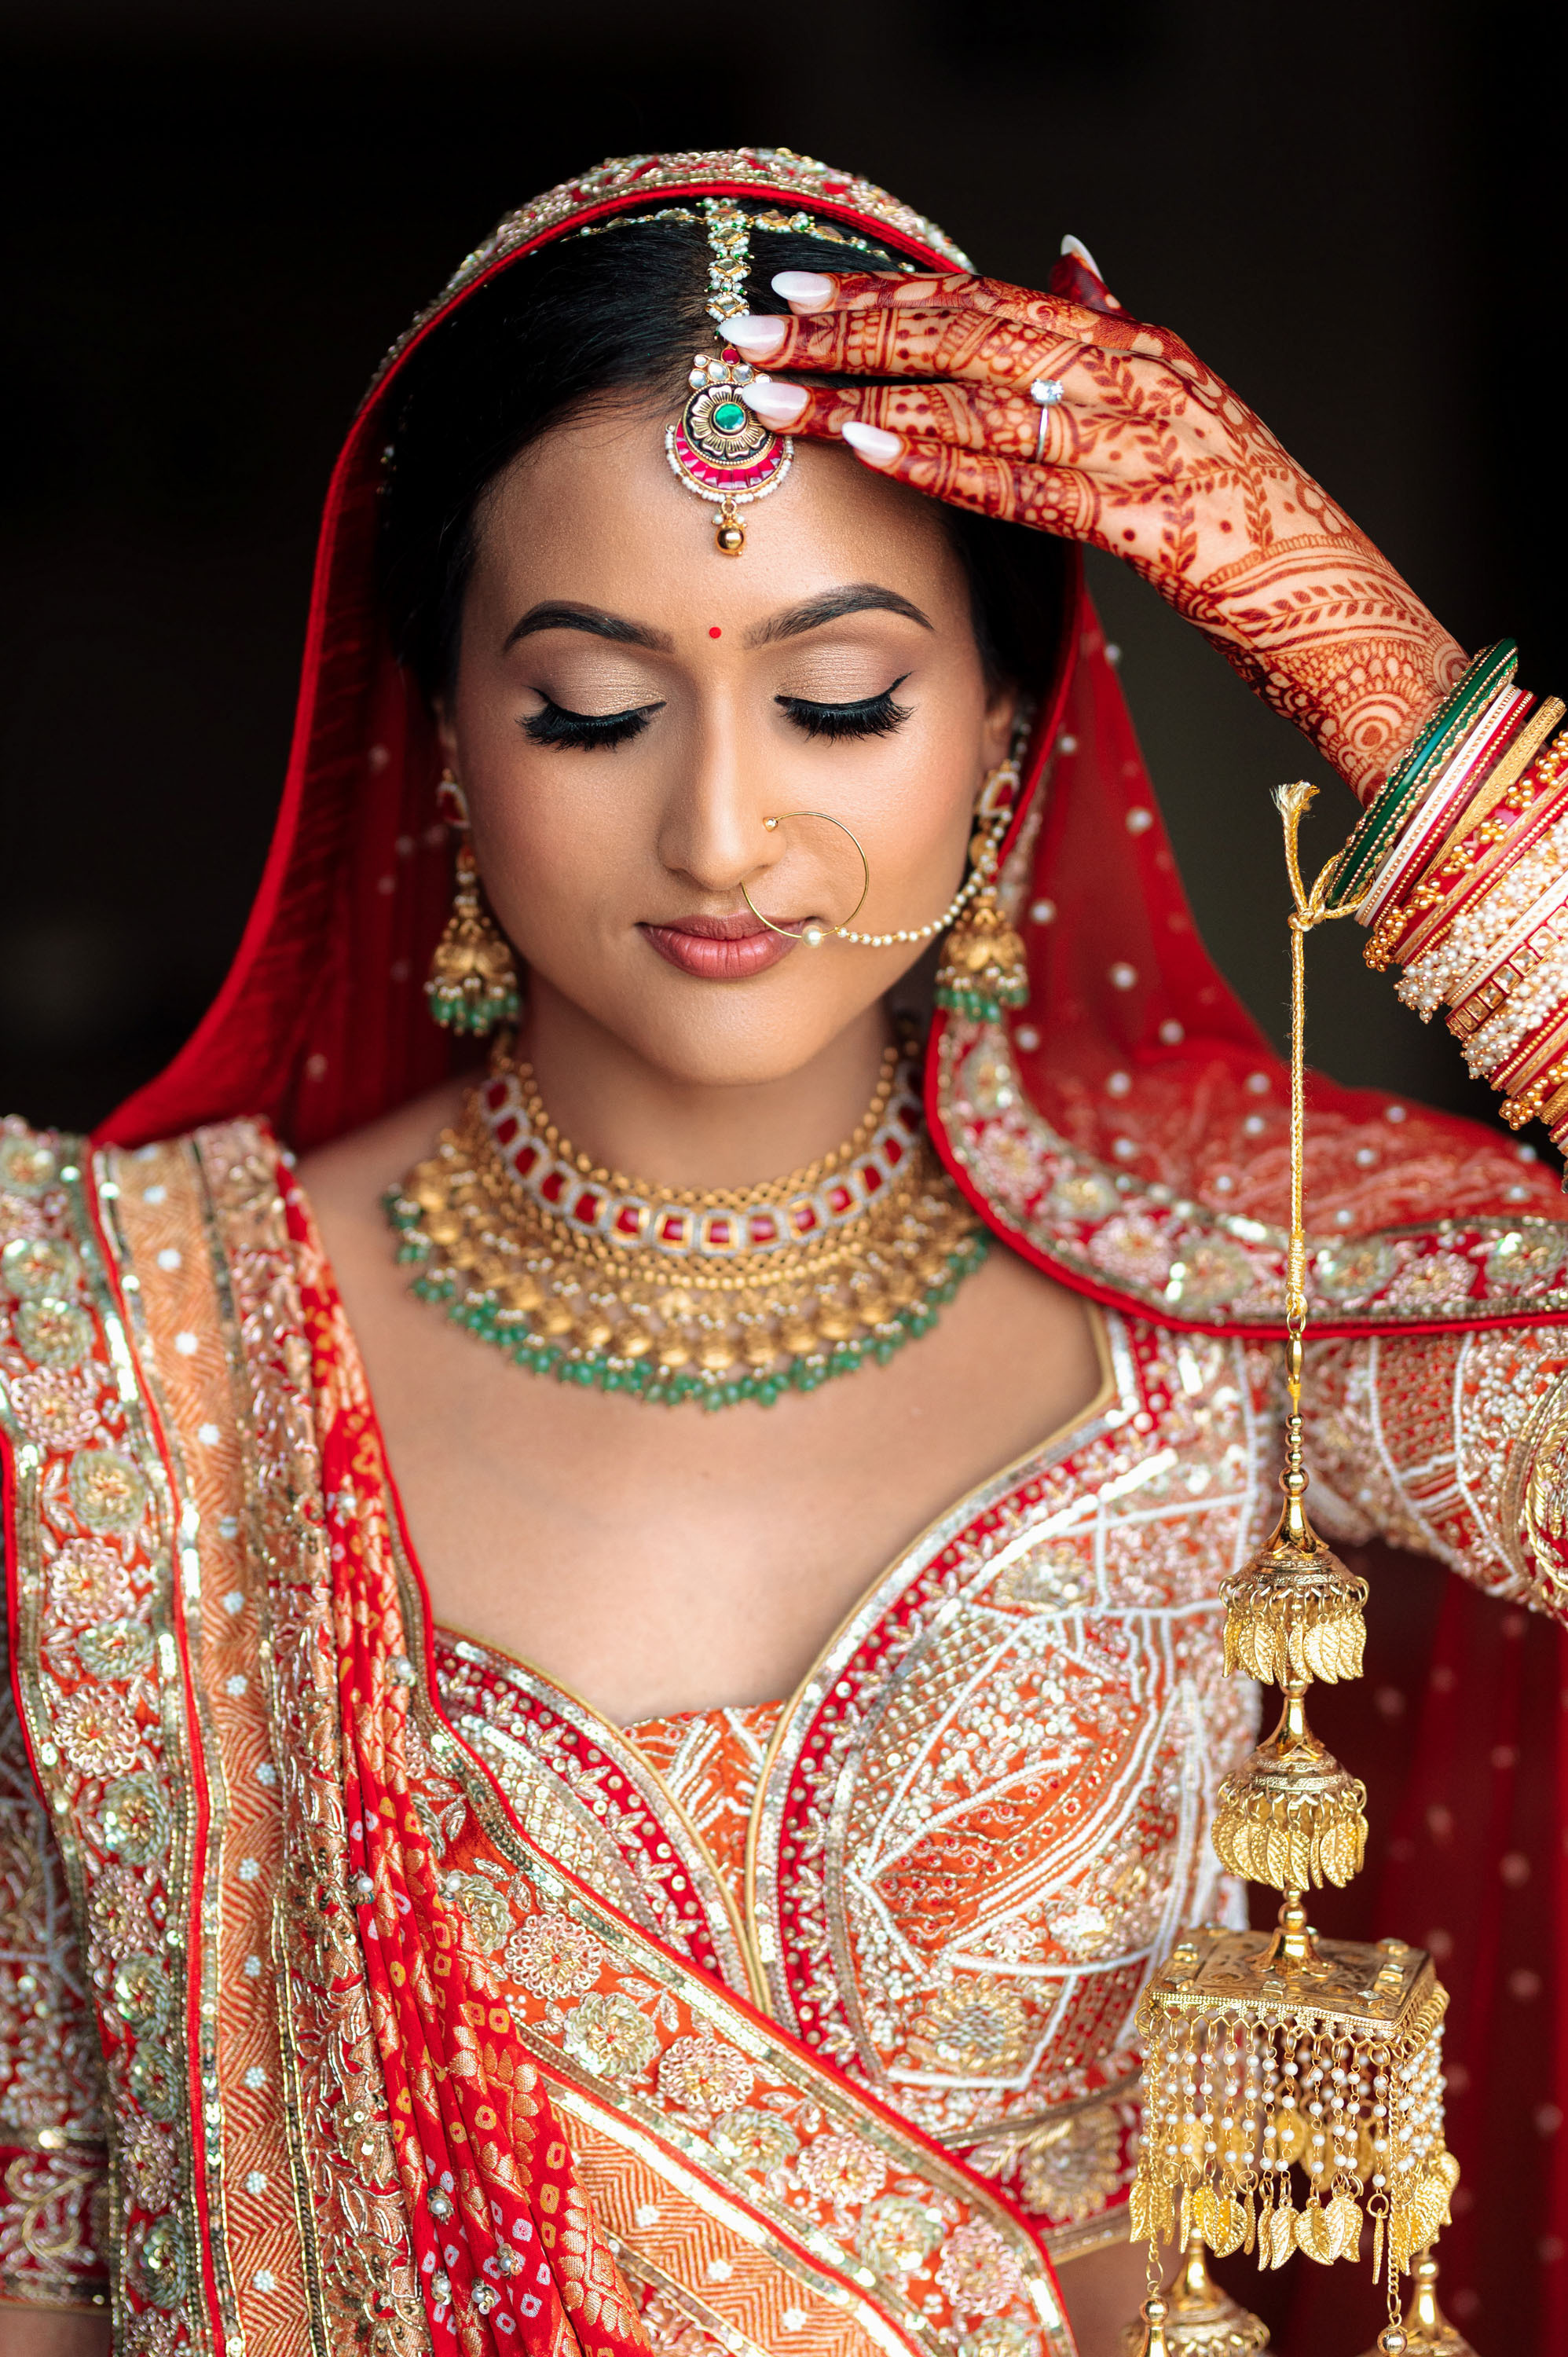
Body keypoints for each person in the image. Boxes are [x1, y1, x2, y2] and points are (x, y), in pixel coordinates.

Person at [2, 148, 1565, 2357]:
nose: (722, 828)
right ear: (439, 733)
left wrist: (1339, 638)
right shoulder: (110, 1353)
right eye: (591, 708)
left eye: (838, 700)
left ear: (1004, 740)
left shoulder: (1226, 1319)